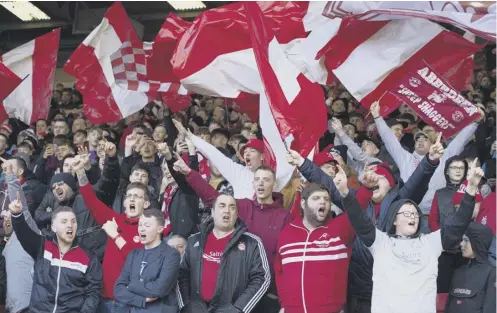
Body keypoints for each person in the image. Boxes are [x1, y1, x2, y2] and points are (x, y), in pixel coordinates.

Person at [336, 158, 483, 313]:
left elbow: (458, 224)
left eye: (415, 214)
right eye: (406, 213)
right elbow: (359, 219)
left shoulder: (431, 242)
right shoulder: (381, 242)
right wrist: (345, 192)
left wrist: (471, 188)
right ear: (394, 220)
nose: (412, 216)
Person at [75, 141, 162, 313]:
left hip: (130, 301)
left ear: (146, 203)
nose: (131, 199)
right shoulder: (116, 219)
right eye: (128, 196)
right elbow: (91, 202)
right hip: (106, 298)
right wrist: (79, 171)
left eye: (137, 197)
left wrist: (116, 236)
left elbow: (137, 259)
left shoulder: (150, 227)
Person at [370, 101, 482, 223]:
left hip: (435, 215)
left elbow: (461, 140)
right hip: (408, 213)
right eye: (417, 138)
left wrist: (475, 123)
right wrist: (377, 117)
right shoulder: (405, 158)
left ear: (433, 143)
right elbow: (389, 140)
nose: (420, 141)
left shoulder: (444, 158)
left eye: (425, 138)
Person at [275, 179, 374, 313]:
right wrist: (283, 304)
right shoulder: (287, 233)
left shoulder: (340, 228)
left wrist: (367, 188)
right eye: (316, 198)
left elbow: (355, 209)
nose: (323, 201)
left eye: (327, 199)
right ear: (303, 203)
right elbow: (279, 270)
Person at [178, 193, 270, 313]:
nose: (227, 211)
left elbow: (262, 278)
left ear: (237, 215)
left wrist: (239, 309)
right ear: (212, 212)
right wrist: (186, 305)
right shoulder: (194, 240)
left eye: (232, 207)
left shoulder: (252, 243)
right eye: (222, 206)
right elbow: (182, 274)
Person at [10, 201, 102, 313]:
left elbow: (93, 292)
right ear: (53, 227)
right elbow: (24, 234)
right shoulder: (42, 246)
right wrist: (16, 215)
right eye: (64, 221)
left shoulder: (88, 258)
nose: (70, 225)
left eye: (73, 221)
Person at [173, 119, 266, 199]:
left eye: (252, 151)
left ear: (262, 156)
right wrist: (191, 136)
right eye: (245, 152)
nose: (247, 154)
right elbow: (214, 154)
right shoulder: (238, 171)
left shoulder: (272, 176)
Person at [114, 209, 181, 313]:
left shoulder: (171, 254)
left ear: (160, 229)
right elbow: (118, 290)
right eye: (140, 225)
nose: (142, 229)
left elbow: (159, 289)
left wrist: (131, 285)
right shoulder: (133, 254)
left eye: (147, 225)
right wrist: (140, 300)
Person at [2, 163, 40, 313]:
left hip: (31, 305)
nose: (7, 220)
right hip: (13, 307)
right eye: (5, 218)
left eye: (10, 217)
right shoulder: (6, 245)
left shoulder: (28, 234)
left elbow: (22, 208)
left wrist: (11, 178)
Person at [445, 223, 495, 313]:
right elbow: (448, 306)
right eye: (462, 240)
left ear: (478, 243)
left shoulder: (492, 274)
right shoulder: (458, 272)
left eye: (466, 240)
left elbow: (490, 309)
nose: (461, 244)